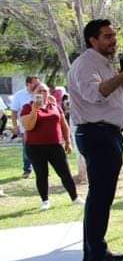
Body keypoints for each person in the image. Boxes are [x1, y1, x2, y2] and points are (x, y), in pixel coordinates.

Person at [68, 19, 123, 261]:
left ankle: (94, 252)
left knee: (100, 197)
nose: (113, 40)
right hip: (97, 135)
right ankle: (97, 259)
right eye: (107, 36)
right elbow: (94, 94)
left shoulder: (102, 63)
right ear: (93, 40)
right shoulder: (86, 64)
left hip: (106, 134)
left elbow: (109, 93)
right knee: (100, 197)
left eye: (114, 35)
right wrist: (122, 77)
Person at [20, 82, 80, 210]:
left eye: (45, 91)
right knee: (42, 174)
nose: (42, 93)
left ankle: (75, 198)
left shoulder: (55, 106)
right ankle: (45, 201)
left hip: (55, 146)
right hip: (35, 147)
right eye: (39, 91)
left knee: (65, 173)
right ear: (33, 93)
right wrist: (34, 110)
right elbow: (28, 126)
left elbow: (63, 124)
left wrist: (68, 141)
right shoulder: (27, 107)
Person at [10, 75, 41, 179]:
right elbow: (13, 112)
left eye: (38, 83)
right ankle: (27, 170)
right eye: (35, 83)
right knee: (27, 149)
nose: (37, 85)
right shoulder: (19, 95)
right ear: (28, 84)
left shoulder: (40, 94)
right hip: (26, 128)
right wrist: (15, 126)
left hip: (40, 127)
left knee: (41, 148)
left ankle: (41, 169)